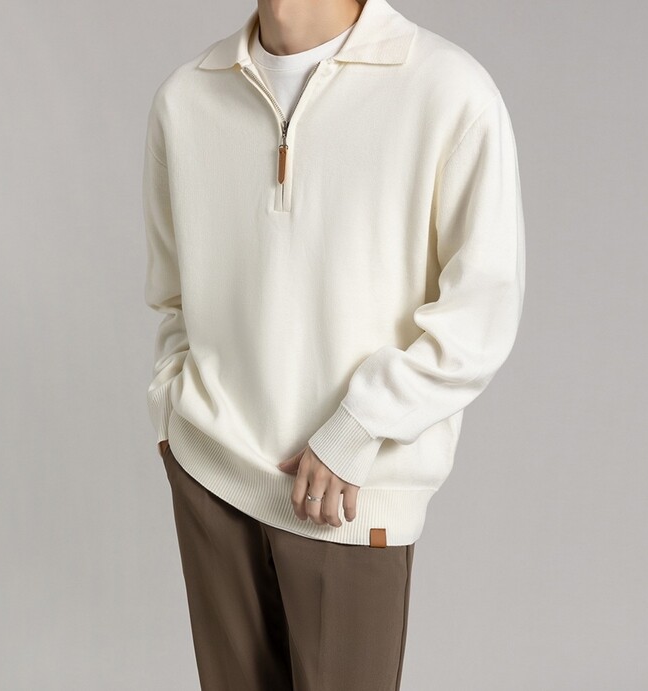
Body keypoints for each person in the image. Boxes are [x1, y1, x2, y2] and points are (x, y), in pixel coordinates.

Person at [141, 0, 526, 688]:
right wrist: (176, 425)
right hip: (210, 477)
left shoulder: (446, 90)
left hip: (350, 496)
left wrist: (359, 426)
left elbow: (483, 309)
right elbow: (172, 297)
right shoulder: (185, 97)